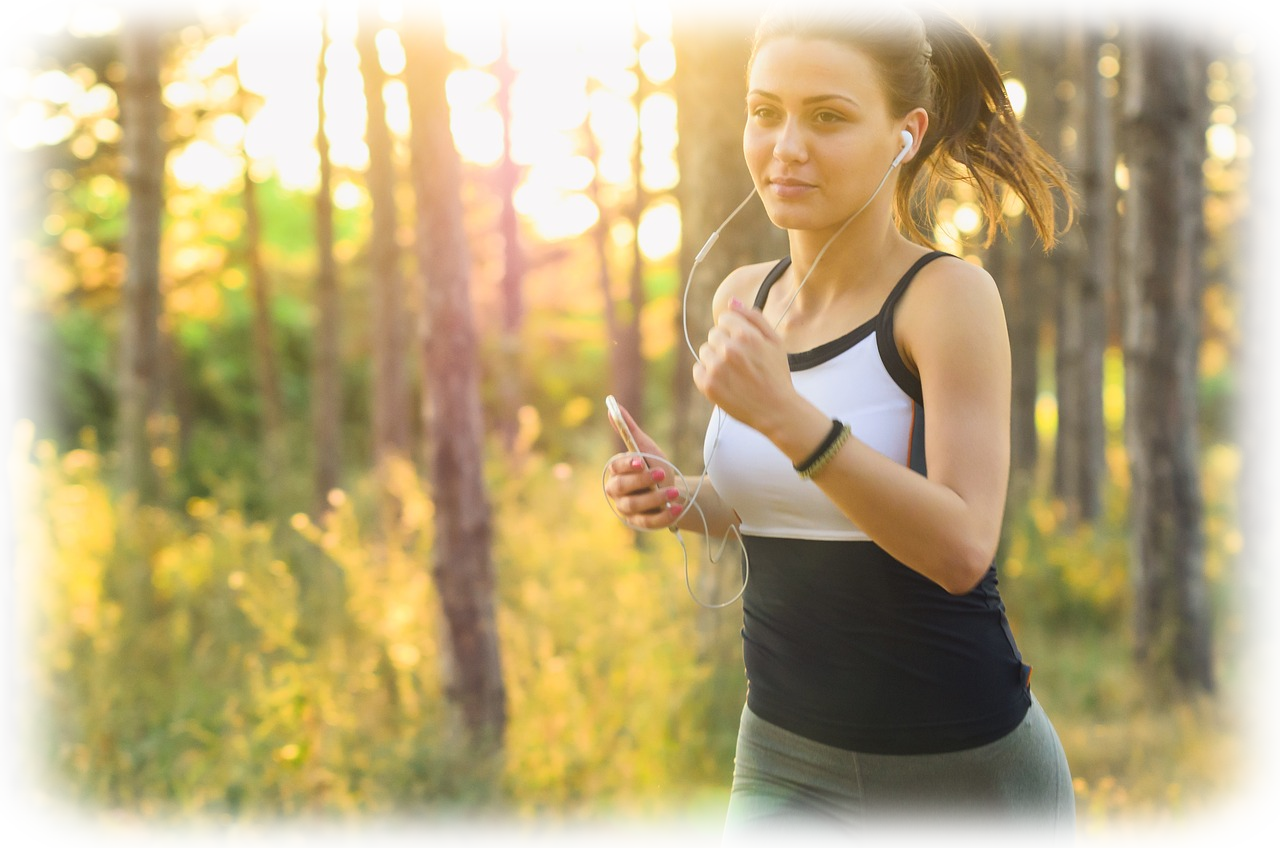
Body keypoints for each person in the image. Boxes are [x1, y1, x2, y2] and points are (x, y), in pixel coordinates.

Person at [603, 0, 1077, 844]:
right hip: (785, 760)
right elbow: (776, 500)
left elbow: (962, 547)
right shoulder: (742, 296)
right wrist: (683, 497)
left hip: (964, 772)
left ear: (906, 132)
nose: (786, 147)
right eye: (765, 113)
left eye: (828, 117)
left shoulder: (945, 300)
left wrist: (788, 418)